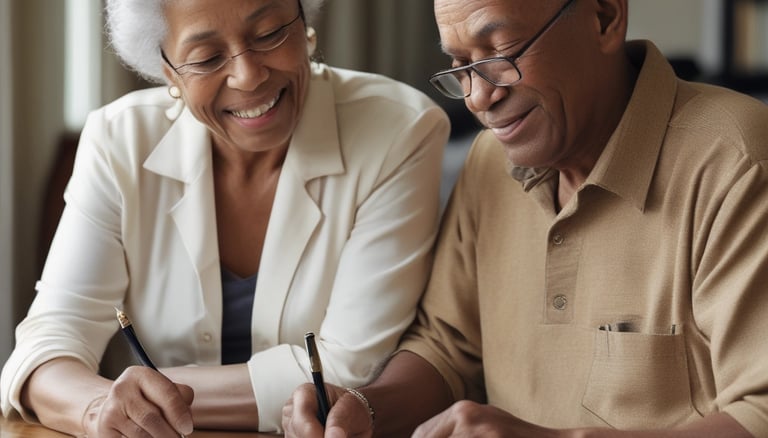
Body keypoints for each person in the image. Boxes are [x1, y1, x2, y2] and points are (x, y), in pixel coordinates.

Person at [282, 0, 768, 436]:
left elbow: (759, 415)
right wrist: (366, 409)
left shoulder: (737, 160)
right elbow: (449, 349)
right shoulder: (489, 162)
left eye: (502, 53)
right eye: (460, 65)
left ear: (604, 17)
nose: (477, 97)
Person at [0, 0, 450, 435]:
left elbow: (347, 371)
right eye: (207, 57)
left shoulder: (400, 130)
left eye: (271, 33)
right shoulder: (120, 140)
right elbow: (47, 344)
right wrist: (100, 409)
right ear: (167, 69)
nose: (248, 75)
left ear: (305, 23)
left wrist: (144, 401)